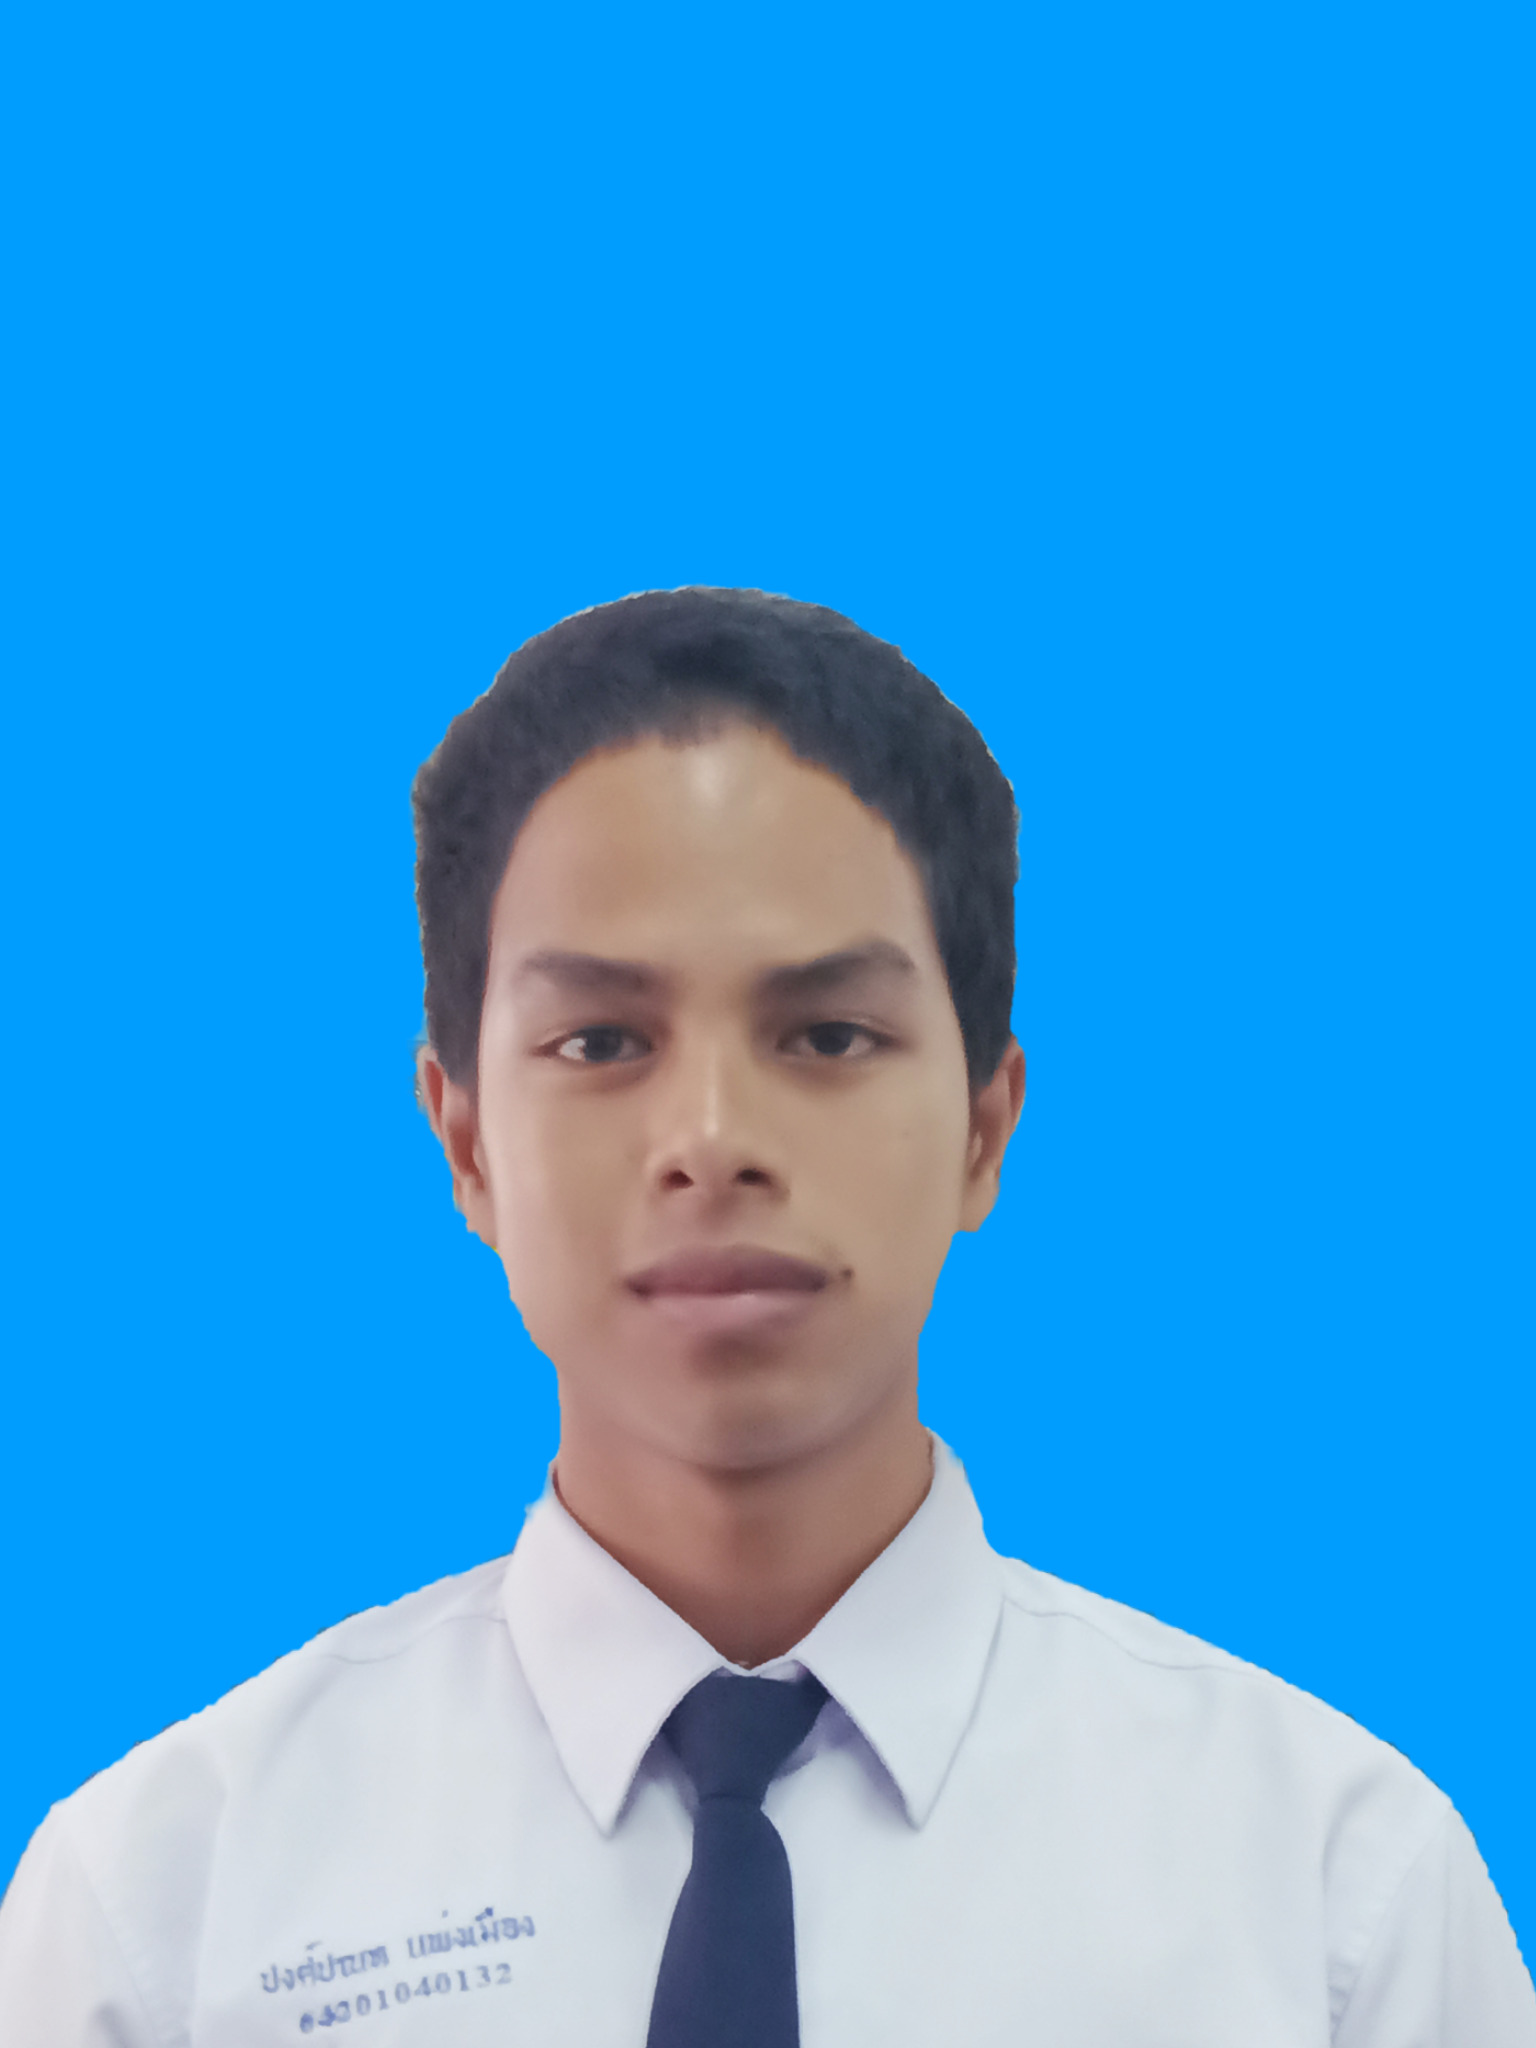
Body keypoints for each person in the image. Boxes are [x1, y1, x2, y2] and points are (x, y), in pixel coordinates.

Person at [0, 586, 1530, 2046]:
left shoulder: (1335, 1900)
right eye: (604, 1041)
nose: (714, 1138)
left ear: (985, 1125)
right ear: (463, 1142)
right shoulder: (163, 1915)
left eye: (828, 1034)